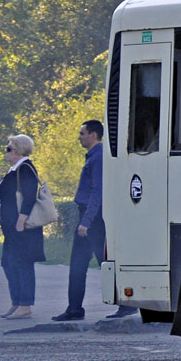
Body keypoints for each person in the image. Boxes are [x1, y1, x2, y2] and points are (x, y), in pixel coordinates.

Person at [53, 120, 137, 321]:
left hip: (94, 219)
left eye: (82, 133)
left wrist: (86, 222)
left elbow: (97, 191)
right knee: (80, 264)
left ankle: (125, 304)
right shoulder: (94, 155)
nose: (79, 137)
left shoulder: (98, 157)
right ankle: (74, 308)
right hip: (90, 217)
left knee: (103, 261)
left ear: (93, 135)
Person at [0, 134, 45, 320]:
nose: (6, 152)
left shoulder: (25, 168)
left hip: (22, 227)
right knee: (8, 263)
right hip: (11, 226)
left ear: (19, 150)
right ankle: (16, 301)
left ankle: (25, 305)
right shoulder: (14, 169)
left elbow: (29, 195)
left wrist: (21, 220)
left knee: (23, 264)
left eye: (9, 148)